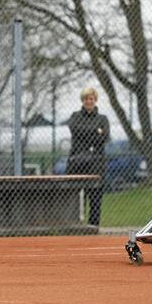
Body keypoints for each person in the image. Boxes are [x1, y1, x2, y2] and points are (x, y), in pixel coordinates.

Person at [67, 87, 110, 228]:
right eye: (86, 99)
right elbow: (75, 130)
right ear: (82, 100)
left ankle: (94, 227)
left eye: (91, 98)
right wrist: (94, 131)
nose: (88, 101)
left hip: (96, 165)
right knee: (76, 197)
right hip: (77, 164)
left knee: (96, 198)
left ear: (95, 100)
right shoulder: (75, 116)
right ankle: (75, 226)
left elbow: (104, 137)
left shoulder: (103, 119)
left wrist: (87, 133)